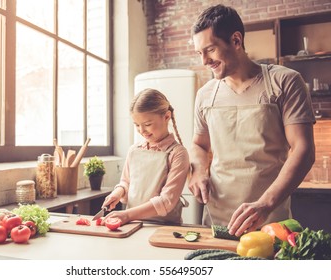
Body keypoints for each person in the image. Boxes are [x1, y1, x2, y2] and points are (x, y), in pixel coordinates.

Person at [188, 4, 316, 236]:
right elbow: (198, 144)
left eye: (210, 49)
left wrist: (265, 204)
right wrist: (198, 171)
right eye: (200, 53)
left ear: (236, 41)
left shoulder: (284, 82)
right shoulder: (205, 94)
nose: (204, 60)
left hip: (270, 219)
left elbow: (303, 150)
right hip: (217, 221)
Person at [101, 88, 190, 225]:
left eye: (147, 124)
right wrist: (117, 193)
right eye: (136, 125)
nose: (142, 131)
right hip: (131, 224)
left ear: (166, 117)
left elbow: (167, 201)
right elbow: (126, 182)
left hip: (163, 228)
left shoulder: (178, 153)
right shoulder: (134, 150)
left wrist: (127, 215)